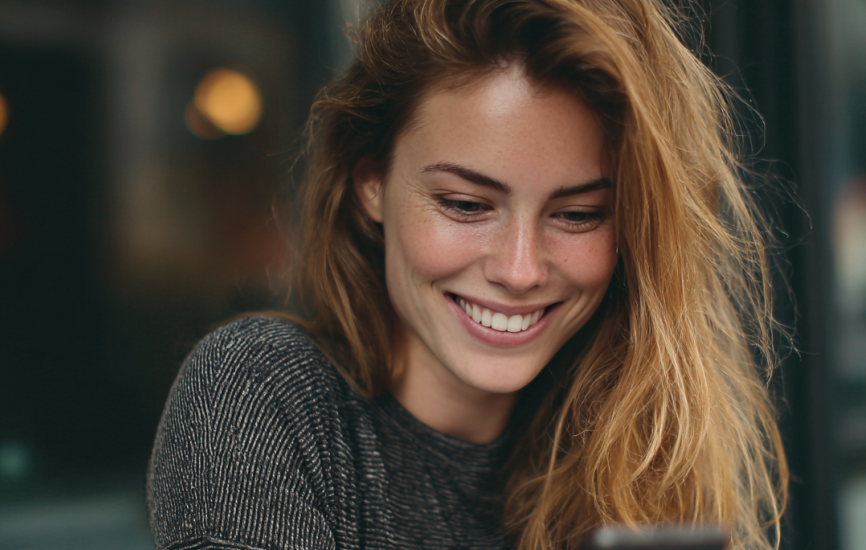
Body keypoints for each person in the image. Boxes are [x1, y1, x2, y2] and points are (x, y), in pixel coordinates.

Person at [147, 0, 789, 548]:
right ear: (371, 182)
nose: (518, 269)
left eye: (578, 214)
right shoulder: (265, 395)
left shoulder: (642, 451)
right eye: (465, 204)